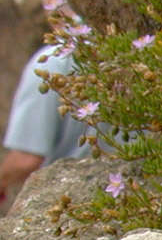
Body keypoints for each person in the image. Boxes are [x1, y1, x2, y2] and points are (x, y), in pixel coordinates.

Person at [0, 37, 94, 216]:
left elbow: (25, 159)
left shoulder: (53, 61)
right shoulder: (128, 53)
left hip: (70, 201)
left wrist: (2, 182)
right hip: (137, 194)